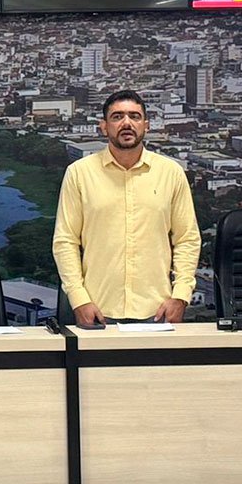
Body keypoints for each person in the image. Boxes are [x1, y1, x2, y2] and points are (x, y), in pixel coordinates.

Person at [53, 91, 201, 326]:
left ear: (146, 125)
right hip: (98, 309)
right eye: (117, 117)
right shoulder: (79, 173)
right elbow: (65, 241)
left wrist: (181, 296)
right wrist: (79, 299)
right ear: (104, 126)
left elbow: (187, 239)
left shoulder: (171, 173)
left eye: (134, 116)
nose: (127, 123)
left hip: (158, 311)